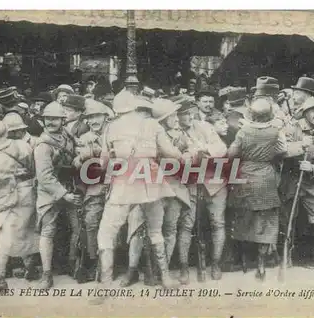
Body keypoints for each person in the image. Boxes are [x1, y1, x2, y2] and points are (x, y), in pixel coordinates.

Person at [93, 89, 184, 303]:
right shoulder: (152, 124)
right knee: (155, 231)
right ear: (135, 106)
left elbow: (104, 162)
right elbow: (171, 153)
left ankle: (105, 286)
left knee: (106, 234)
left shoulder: (111, 127)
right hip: (151, 180)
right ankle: (166, 278)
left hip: (123, 181)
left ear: (117, 110)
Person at [0, 120, 40, 294]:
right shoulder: (23, 146)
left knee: (0, 236)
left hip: (7, 198)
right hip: (29, 192)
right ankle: (30, 269)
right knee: (27, 231)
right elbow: (35, 167)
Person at [227, 98, 287, 281]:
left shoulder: (243, 131)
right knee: (266, 221)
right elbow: (283, 151)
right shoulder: (275, 131)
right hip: (266, 177)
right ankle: (261, 264)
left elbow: (231, 154)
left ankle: (245, 261)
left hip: (245, 176)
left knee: (244, 218)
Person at [279, 97, 314, 275]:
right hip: (292, 179)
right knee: (288, 218)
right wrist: (299, 147)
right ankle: (285, 255)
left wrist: (313, 167)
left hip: (313, 182)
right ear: (305, 113)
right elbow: (280, 149)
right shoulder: (291, 128)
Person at [176, 97, 227, 283]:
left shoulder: (204, 126)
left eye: (190, 112)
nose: (189, 116)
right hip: (189, 182)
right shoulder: (173, 133)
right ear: (176, 115)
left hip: (213, 181)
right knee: (186, 225)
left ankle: (215, 263)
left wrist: (203, 148)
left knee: (218, 223)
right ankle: (183, 267)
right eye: (183, 114)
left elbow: (222, 148)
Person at [34, 102, 83, 288]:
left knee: (77, 227)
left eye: (55, 118)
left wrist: (79, 154)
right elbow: (44, 177)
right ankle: (46, 274)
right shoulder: (43, 145)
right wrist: (64, 195)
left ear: (63, 120)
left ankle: (72, 264)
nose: (51, 122)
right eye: (48, 118)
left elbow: (76, 147)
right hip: (50, 192)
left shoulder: (66, 134)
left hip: (69, 185)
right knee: (47, 232)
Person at [72, 99, 112, 282]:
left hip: (116, 185)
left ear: (105, 116)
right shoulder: (84, 138)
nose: (94, 120)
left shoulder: (114, 134)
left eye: (97, 116)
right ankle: (94, 261)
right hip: (95, 187)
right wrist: (83, 159)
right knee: (91, 223)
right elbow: (79, 163)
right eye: (90, 117)